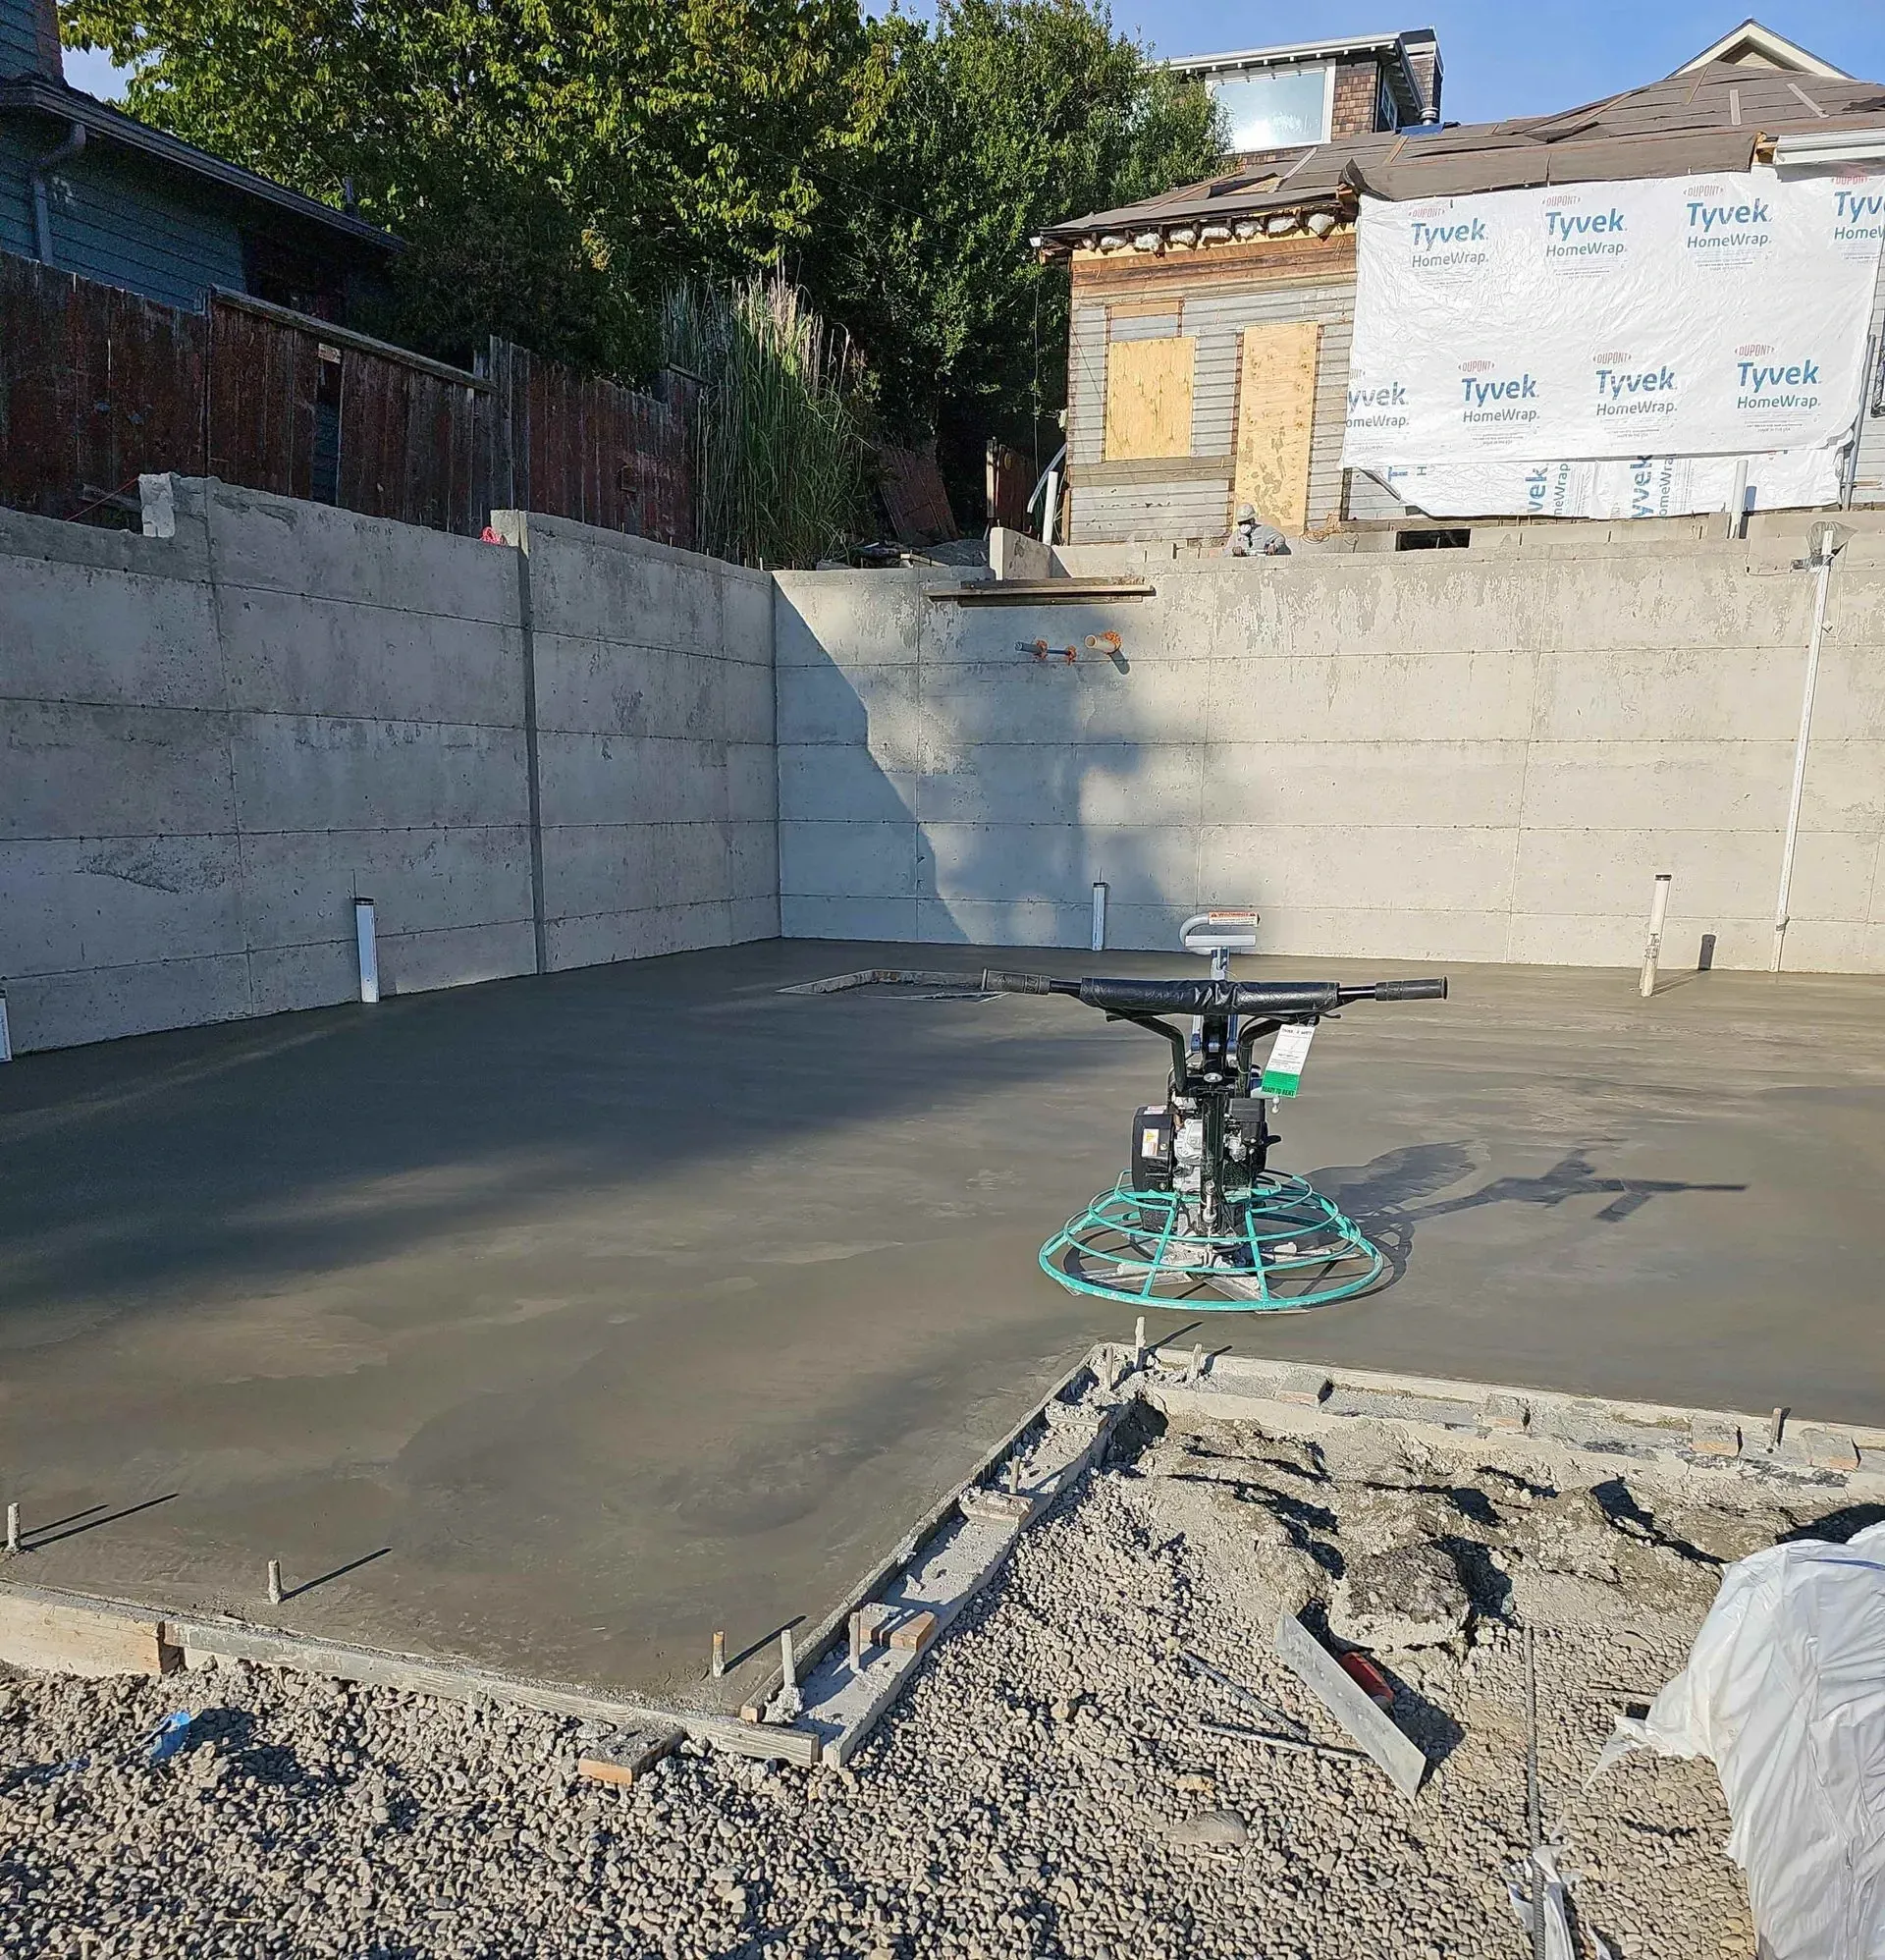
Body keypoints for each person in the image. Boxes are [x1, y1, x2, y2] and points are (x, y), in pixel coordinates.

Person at [1223, 503, 1290, 556]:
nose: (1243, 525)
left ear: (1252, 520)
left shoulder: (1264, 530)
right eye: (1241, 523)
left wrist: (1275, 546)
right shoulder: (1236, 535)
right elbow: (1225, 552)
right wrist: (1233, 550)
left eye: (1246, 522)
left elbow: (1280, 538)